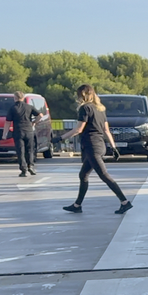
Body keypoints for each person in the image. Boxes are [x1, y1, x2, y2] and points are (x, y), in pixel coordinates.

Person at [61, 84, 132, 215]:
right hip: (100, 146)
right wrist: (114, 147)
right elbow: (106, 130)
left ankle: (125, 202)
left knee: (104, 175)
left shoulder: (85, 108)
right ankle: (77, 205)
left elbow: (78, 129)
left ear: (82, 95)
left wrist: (60, 138)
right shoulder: (100, 109)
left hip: (91, 146)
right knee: (83, 175)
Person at [3, 92, 40, 177]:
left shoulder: (13, 108)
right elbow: (40, 115)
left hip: (18, 132)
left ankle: (23, 170)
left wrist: (4, 134)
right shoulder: (29, 107)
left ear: (15, 98)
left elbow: (8, 122)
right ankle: (30, 166)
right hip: (29, 131)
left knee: (20, 151)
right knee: (30, 150)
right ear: (23, 98)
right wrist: (34, 122)